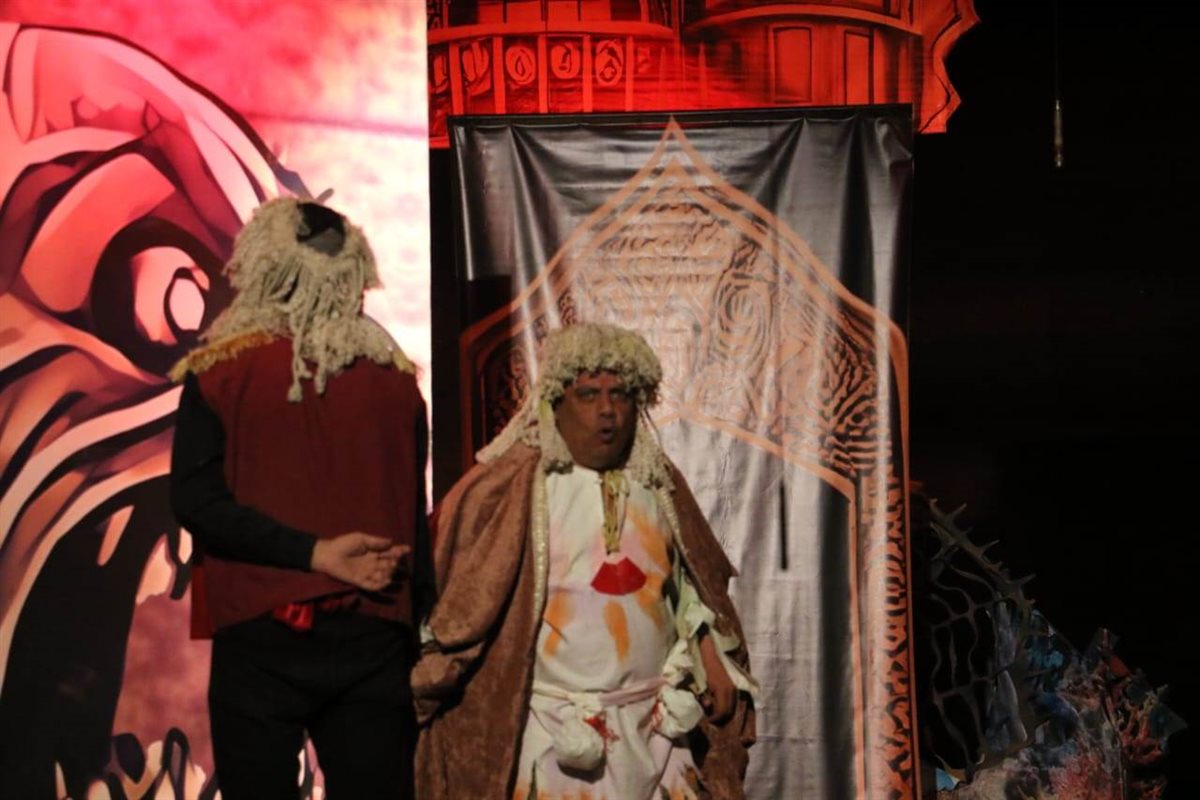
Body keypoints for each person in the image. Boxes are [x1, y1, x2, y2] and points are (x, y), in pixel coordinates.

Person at [413, 322, 758, 799]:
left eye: (621, 394)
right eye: (588, 395)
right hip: (554, 732)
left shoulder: (658, 484)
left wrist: (711, 658)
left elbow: (688, 590)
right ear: (555, 402)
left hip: (655, 734)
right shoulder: (516, 489)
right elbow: (466, 607)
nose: (607, 410)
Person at [169, 197, 431, 800]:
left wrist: (312, 554)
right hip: (374, 632)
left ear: (265, 263)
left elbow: (195, 502)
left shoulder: (221, 370)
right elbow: (412, 516)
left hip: (263, 632)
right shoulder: (397, 382)